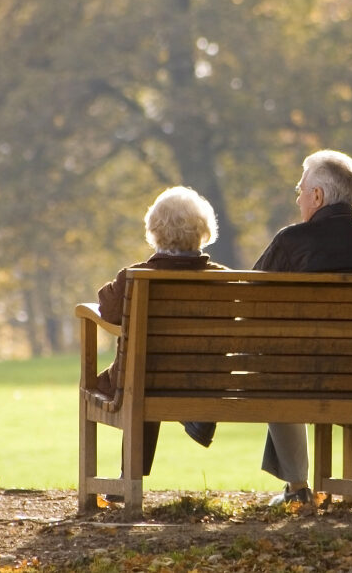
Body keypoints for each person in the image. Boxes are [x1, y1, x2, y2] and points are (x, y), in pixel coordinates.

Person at [253, 149, 352, 505]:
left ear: (318, 196)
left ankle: (297, 489)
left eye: (300, 190)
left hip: (307, 378)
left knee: (272, 363)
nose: (297, 199)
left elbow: (248, 302)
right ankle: (314, 485)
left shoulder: (291, 241)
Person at [92, 186, 226, 499]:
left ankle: (129, 478)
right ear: (204, 230)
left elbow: (109, 313)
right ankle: (193, 415)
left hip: (142, 380)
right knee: (151, 370)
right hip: (200, 382)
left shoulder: (136, 277)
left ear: (154, 231)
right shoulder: (222, 278)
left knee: (141, 374)